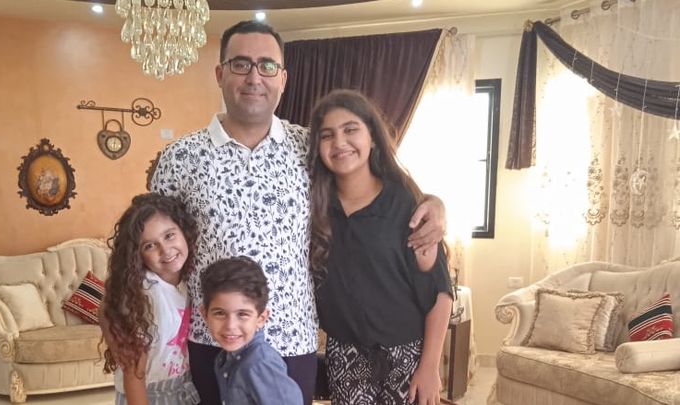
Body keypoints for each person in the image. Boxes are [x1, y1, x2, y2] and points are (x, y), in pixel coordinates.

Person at [150, 20, 447, 405]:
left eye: (267, 65)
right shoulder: (180, 158)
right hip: (213, 338)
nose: (254, 76)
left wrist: (433, 203)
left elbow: (369, 188)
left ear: (283, 78)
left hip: (292, 340)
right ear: (220, 74)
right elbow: (151, 244)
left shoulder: (311, 149)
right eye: (241, 64)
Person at [308, 89, 454, 405]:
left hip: (407, 354)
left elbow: (439, 291)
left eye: (350, 130)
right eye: (327, 135)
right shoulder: (314, 207)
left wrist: (430, 367)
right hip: (345, 354)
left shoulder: (406, 205)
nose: (339, 142)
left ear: (372, 137)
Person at [100, 193, 200, 405]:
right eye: (150, 246)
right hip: (148, 395)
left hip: (183, 388)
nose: (165, 249)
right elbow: (133, 375)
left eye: (169, 235)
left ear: (183, 231)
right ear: (137, 255)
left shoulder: (187, 281)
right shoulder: (143, 295)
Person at [200, 256, 303, 405]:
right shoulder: (225, 358)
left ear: (261, 318)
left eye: (242, 314)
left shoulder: (260, 364)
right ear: (205, 315)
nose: (230, 326)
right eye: (220, 313)